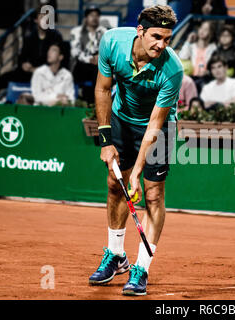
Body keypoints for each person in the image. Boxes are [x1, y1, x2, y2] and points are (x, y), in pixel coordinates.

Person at [90, 5, 183, 296]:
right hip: (121, 119)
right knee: (114, 186)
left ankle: (141, 267)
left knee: (153, 195)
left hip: (160, 128)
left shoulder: (172, 69)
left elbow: (156, 123)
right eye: (157, 37)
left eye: (168, 39)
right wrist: (106, 141)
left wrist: (138, 171)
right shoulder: (112, 42)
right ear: (140, 31)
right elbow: (104, 90)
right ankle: (116, 256)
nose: (162, 45)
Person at [0, 4, 64, 97]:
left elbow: (57, 62)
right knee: (10, 75)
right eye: (42, 17)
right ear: (36, 20)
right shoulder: (30, 38)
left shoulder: (56, 37)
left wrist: (37, 69)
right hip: (30, 73)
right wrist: (24, 65)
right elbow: (22, 57)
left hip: (47, 75)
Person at [70, 5, 108, 103]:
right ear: (86, 18)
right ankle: (90, 100)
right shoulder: (76, 32)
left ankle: (97, 100)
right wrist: (90, 59)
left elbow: (108, 49)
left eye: (96, 15)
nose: (94, 18)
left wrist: (99, 58)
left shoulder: (104, 32)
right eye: (91, 15)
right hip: (81, 65)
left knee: (100, 70)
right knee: (91, 69)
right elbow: (75, 52)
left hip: (98, 64)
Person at [178, 20, 217, 91]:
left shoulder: (213, 48)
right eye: (201, 28)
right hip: (192, 77)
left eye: (206, 29)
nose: (202, 31)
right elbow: (182, 57)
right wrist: (188, 41)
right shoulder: (192, 46)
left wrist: (208, 72)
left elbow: (215, 63)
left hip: (206, 78)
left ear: (211, 33)